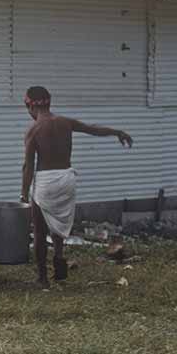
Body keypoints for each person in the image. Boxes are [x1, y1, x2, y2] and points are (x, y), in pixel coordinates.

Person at [21, 86, 133, 287]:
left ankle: (42, 277)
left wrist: (23, 193)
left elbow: (28, 166)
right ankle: (59, 259)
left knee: (39, 230)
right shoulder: (65, 122)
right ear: (49, 102)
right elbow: (93, 129)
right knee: (58, 225)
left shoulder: (33, 130)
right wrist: (117, 132)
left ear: (30, 105)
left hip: (46, 181)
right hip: (66, 178)